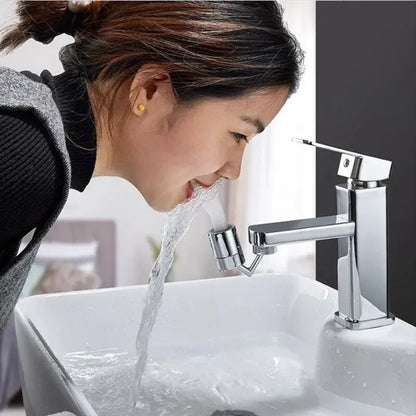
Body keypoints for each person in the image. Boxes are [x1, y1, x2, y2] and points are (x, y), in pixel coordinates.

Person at [0, 0, 304, 331]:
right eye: (238, 135)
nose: (233, 171)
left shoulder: (31, 143)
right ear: (149, 90)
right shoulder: (23, 155)